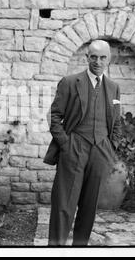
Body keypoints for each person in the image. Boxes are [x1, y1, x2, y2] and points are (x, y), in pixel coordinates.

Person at [43, 39, 122, 246]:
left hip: (101, 150)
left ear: (109, 59)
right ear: (87, 58)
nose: (97, 61)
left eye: (102, 57)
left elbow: (117, 121)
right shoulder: (70, 82)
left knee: (90, 206)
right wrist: (65, 144)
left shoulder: (114, 88)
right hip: (74, 147)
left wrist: (111, 146)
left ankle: (80, 248)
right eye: (93, 56)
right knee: (64, 204)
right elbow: (54, 116)